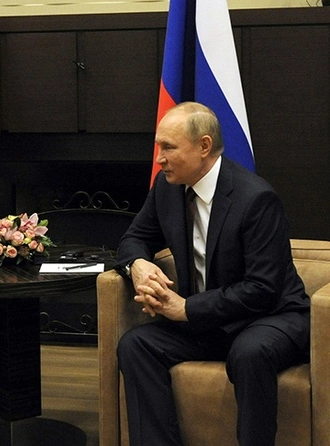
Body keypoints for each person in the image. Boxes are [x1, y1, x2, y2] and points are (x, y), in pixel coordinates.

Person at [116, 102, 309, 446]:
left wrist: (185, 309)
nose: (159, 159)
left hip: (270, 317)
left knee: (249, 352)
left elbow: (262, 289)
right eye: (159, 147)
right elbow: (134, 238)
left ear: (204, 146)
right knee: (136, 345)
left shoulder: (256, 199)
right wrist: (138, 265)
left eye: (168, 148)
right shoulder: (167, 187)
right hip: (209, 321)